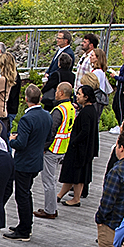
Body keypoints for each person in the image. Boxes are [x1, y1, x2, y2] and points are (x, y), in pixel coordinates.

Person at [6, 85, 53, 241]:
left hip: (24, 162)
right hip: (37, 159)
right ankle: (25, 224)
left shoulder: (27, 118)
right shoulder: (47, 115)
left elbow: (21, 144)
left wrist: (12, 141)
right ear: (40, 98)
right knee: (27, 193)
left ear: (26, 99)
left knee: (22, 195)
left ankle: (24, 230)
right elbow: (48, 138)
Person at [58, 84, 101, 207]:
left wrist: (74, 141)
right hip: (85, 148)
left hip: (81, 148)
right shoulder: (91, 110)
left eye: (79, 94)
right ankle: (60, 195)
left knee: (78, 174)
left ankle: (76, 198)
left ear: (86, 97)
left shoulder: (86, 112)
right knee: (75, 173)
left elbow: (85, 131)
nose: (76, 96)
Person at [39, 84, 77, 218]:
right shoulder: (71, 108)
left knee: (48, 181)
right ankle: (51, 208)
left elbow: (52, 130)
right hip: (63, 147)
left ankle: (50, 210)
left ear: (61, 93)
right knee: (52, 180)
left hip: (53, 148)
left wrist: (44, 148)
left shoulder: (59, 110)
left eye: (56, 91)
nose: (54, 93)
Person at [42, 31, 76, 98]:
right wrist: (47, 72)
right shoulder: (59, 50)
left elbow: (62, 69)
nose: (57, 40)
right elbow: (53, 64)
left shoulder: (68, 53)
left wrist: (50, 76)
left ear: (66, 40)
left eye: (59, 38)